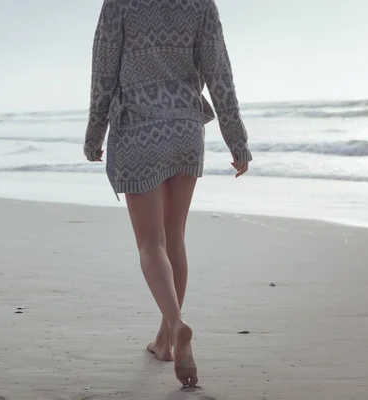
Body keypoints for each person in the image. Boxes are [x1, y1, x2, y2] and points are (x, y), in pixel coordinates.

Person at [83, 0, 252, 388]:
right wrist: (237, 142)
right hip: (185, 129)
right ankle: (164, 341)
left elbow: (103, 74)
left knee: (150, 244)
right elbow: (219, 75)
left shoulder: (120, 4)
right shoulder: (200, 5)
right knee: (174, 236)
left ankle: (175, 326)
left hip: (138, 128)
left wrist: (95, 135)